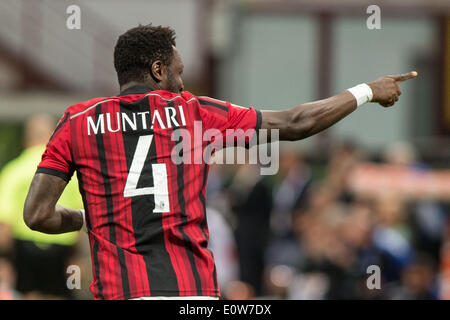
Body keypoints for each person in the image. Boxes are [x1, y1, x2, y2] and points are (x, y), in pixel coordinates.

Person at [22, 24, 417, 300]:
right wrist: (368, 90)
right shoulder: (194, 113)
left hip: (120, 291)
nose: (182, 84)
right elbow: (298, 122)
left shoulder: (77, 122)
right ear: (158, 70)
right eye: (178, 73)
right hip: (192, 292)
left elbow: (38, 215)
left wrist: (90, 217)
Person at [0, 114, 83, 299]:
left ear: (26, 139)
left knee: (29, 294)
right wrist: (77, 258)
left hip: (24, 248)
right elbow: (83, 215)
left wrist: (6, 259)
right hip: (63, 248)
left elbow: (4, 224)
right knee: (64, 292)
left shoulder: (12, 171)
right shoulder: (71, 172)